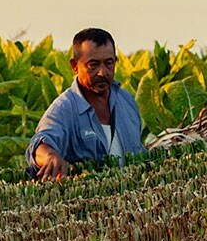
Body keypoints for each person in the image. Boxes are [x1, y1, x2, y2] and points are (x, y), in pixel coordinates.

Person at [27, 28, 145, 180]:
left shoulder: (127, 101)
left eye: (108, 63)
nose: (102, 72)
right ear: (75, 66)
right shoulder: (63, 109)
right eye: (93, 65)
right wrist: (50, 156)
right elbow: (40, 145)